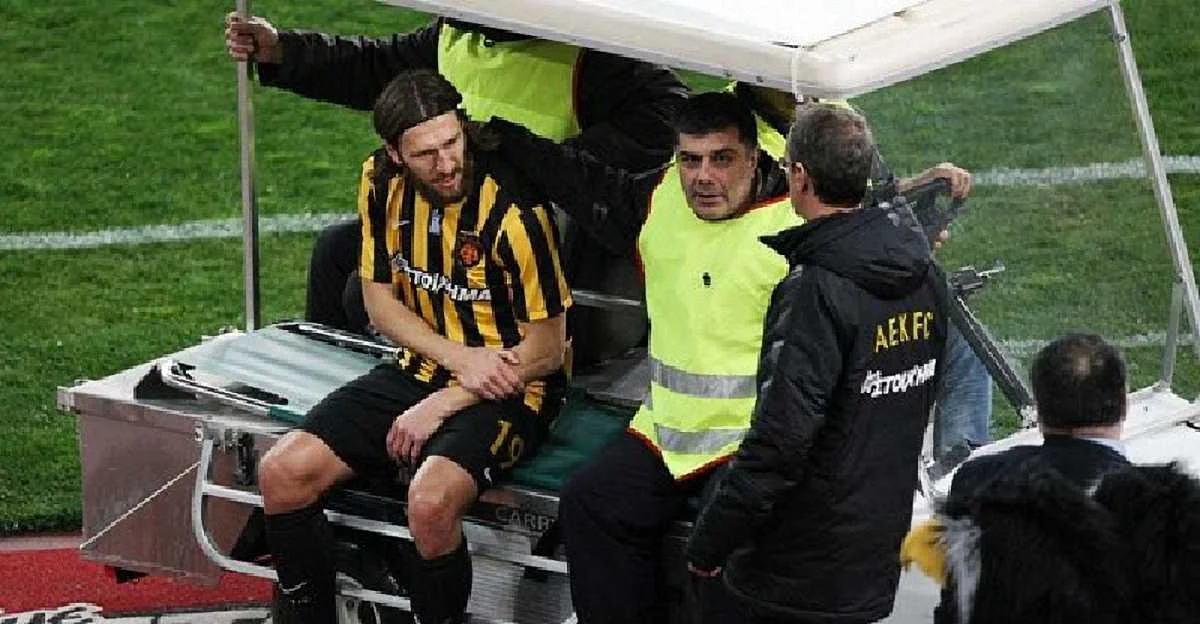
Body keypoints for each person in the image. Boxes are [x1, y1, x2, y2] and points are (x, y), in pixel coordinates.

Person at [488, 94, 967, 622]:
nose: (703, 177)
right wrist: (500, 136)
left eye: (721, 159)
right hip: (667, 429)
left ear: (756, 159)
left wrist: (915, 196)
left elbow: (858, 206)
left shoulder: (806, 226)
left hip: (752, 439)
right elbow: (581, 181)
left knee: (732, 557)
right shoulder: (659, 199)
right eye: (690, 160)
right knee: (592, 502)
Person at [255, 69, 572, 624]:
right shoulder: (380, 182)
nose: (446, 164)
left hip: (518, 386)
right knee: (282, 473)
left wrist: (446, 400)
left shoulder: (515, 212)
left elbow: (549, 349)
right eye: (426, 153)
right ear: (394, 153)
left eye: (452, 142)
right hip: (425, 367)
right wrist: (458, 361)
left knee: (429, 502)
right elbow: (378, 302)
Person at [224, 13, 686, 367]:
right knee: (336, 250)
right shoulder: (461, 32)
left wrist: (532, 160)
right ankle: (330, 385)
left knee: (359, 290)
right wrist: (284, 51)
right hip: (453, 214)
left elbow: (666, 116)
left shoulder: (595, 59)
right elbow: (378, 67)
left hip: (524, 243)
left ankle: (405, 388)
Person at [678, 103, 950, 623]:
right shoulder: (924, 274)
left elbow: (782, 440)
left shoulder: (816, 289)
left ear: (799, 176)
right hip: (873, 549)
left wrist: (710, 543)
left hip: (796, 570)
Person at [908, 333, 1134, 623]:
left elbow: (956, 605)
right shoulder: (1152, 509)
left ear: (1039, 408)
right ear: (1124, 404)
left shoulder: (976, 478)